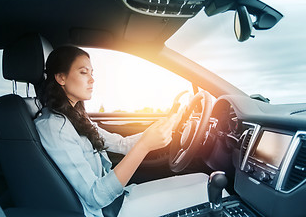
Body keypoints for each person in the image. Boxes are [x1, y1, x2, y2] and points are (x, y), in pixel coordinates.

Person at [34, 46, 211, 217]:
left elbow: (121, 144)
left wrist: (171, 123)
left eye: (92, 73)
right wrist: (144, 146)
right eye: (83, 72)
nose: (92, 79)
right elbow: (96, 197)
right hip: (106, 210)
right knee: (211, 191)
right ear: (61, 78)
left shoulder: (76, 116)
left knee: (203, 179)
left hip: (118, 197)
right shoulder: (55, 127)